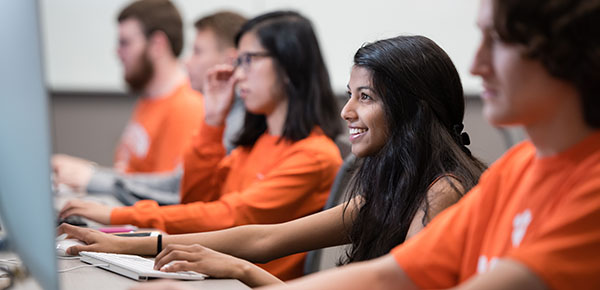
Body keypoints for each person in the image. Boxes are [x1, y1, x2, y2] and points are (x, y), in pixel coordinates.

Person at [220, 0, 598, 289]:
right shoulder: (516, 167)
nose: (476, 64)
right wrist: (162, 244)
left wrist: (244, 273)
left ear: (563, 51)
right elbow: (391, 274)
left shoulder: (588, 190)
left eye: (497, 40)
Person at [58, 34, 486, 287]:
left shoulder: (442, 193)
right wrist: (126, 244)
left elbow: (238, 226)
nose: (347, 112)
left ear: (412, 108)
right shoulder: (394, 188)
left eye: (366, 97)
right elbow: (262, 237)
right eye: (350, 95)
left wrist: (244, 271)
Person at [59, 11, 344, 281]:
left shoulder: (315, 156)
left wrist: (116, 217)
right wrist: (212, 121)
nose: (238, 75)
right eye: (238, 62)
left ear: (288, 65)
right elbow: (196, 200)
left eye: (248, 61)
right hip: (211, 275)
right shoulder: (255, 143)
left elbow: (227, 218)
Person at [55, 11, 248, 206]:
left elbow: (176, 194)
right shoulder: (149, 100)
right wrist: (90, 175)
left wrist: (93, 179)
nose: (186, 62)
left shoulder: (190, 107)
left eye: (197, 51)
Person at [53, 0, 203, 192]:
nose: (118, 52)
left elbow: (163, 194)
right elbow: (132, 175)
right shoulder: (150, 97)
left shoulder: (186, 107)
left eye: (125, 43)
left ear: (157, 44)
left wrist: (92, 177)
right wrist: (82, 173)